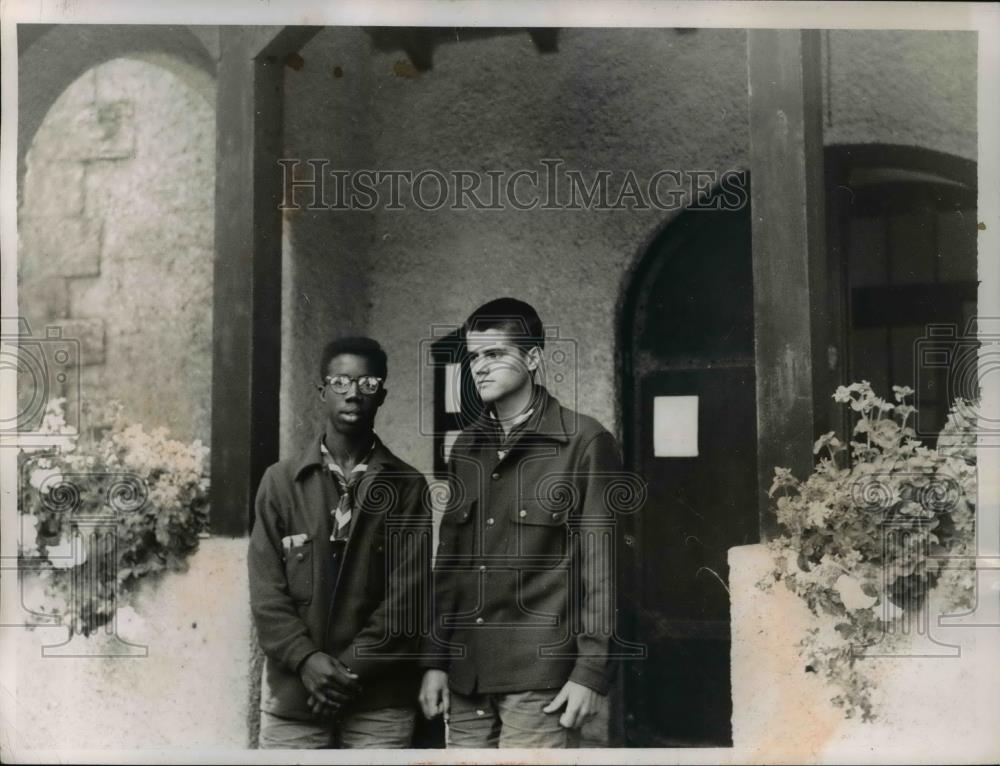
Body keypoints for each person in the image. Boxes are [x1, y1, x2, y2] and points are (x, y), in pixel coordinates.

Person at [418, 298, 623, 748]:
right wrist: (435, 659)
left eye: (495, 354)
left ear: (532, 359)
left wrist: (591, 671)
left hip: (540, 678)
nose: (480, 368)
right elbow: (448, 564)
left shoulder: (584, 441)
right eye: (474, 357)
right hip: (467, 674)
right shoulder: (466, 448)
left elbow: (602, 569)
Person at [249, 336, 431, 748]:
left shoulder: (407, 486)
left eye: (367, 384)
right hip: (296, 696)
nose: (353, 393)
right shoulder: (280, 484)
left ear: (382, 395)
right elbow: (266, 594)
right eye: (341, 382)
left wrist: (343, 672)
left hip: (379, 699)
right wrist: (307, 661)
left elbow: (407, 598)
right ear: (322, 391)